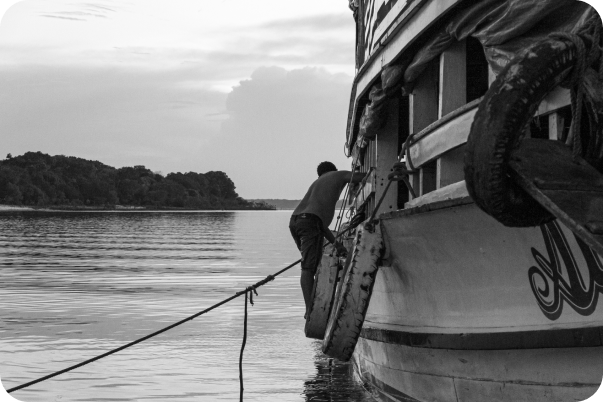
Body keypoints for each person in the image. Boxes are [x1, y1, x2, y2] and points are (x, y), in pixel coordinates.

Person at [289, 161, 366, 318]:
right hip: (310, 222)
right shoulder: (337, 175)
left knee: (310, 264)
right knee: (308, 268)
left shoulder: (317, 183)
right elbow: (363, 176)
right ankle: (310, 310)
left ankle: (313, 306)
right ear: (333, 170)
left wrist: (337, 245)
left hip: (296, 221)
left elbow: (321, 226)